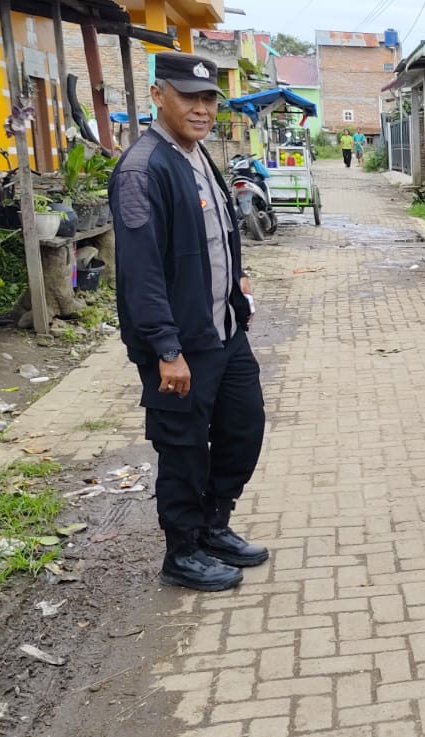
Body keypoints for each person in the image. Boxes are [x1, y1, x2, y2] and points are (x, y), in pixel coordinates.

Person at [110, 51, 268, 593]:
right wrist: (165, 349)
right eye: (188, 97)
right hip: (181, 344)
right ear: (159, 96)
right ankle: (182, 552)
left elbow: (219, 236)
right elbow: (140, 270)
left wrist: (238, 283)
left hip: (224, 330)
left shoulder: (198, 156)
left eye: (208, 99)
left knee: (242, 429)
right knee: (182, 447)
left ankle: (213, 527)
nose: (201, 109)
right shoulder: (143, 168)